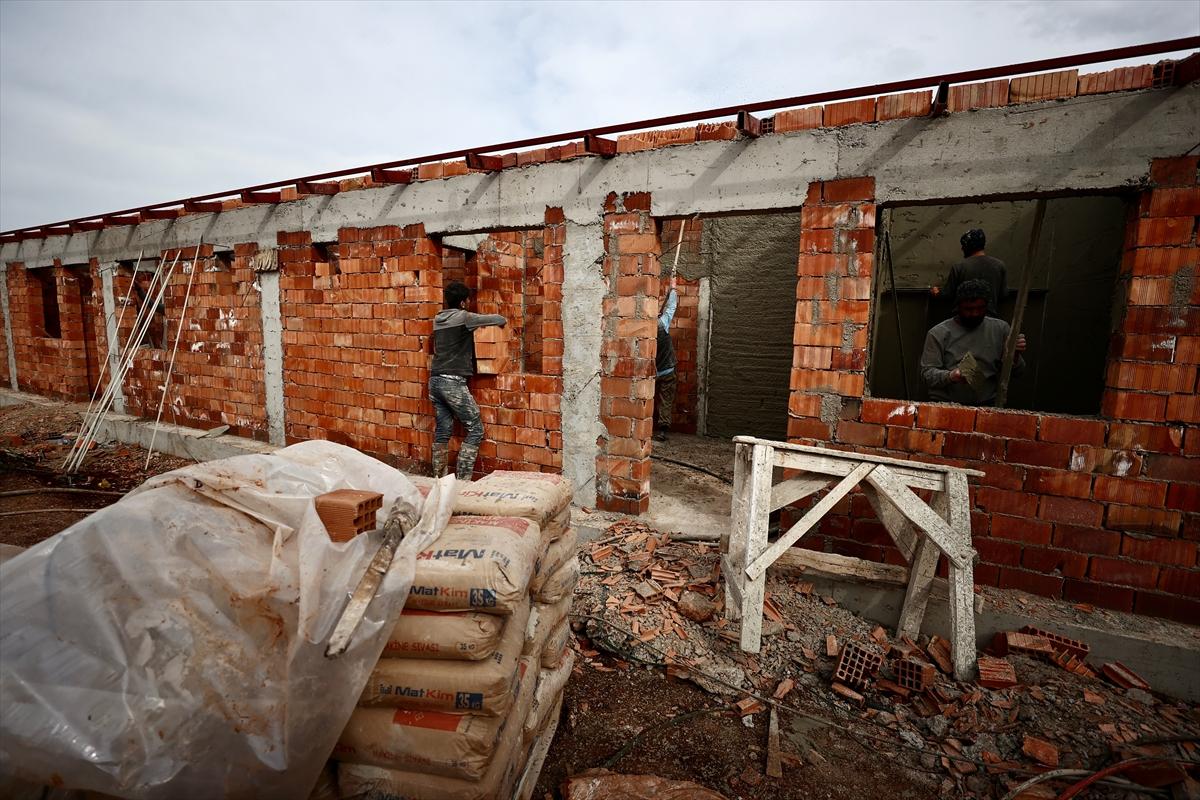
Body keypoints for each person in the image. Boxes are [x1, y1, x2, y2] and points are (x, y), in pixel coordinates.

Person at [429, 280, 506, 480]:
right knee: (475, 429)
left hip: (435, 381)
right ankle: (462, 482)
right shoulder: (464, 317)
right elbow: (497, 318)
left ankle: (440, 481)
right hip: (452, 382)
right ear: (463, 302)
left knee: (443, 430)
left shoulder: (437, 319)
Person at [921, 279, 1026, 406]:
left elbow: (1019, 372)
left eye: (980, 308)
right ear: (958, 306)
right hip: (947, 404)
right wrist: (951, 376)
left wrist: (1014, 356)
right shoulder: (938, 333)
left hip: (986, 404)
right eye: (968, 309)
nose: (975, 313)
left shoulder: (1000, 329)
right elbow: (927, 375)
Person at [935, 228, 1008, 315]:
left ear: (968, 246)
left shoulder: (959, 267)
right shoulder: (999, 265)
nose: (962, 248)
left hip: (963, 317)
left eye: (963, 245)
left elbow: (948, 295)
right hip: (989, 316)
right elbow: (1004, 294)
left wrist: (937, 293)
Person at [653, 275, 678, 443]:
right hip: (667, 370)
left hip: (651, 371)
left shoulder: (642, 329)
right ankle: (662, 430)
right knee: (665, 401)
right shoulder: (662, 324)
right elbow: (671, 308)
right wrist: (673, 289)